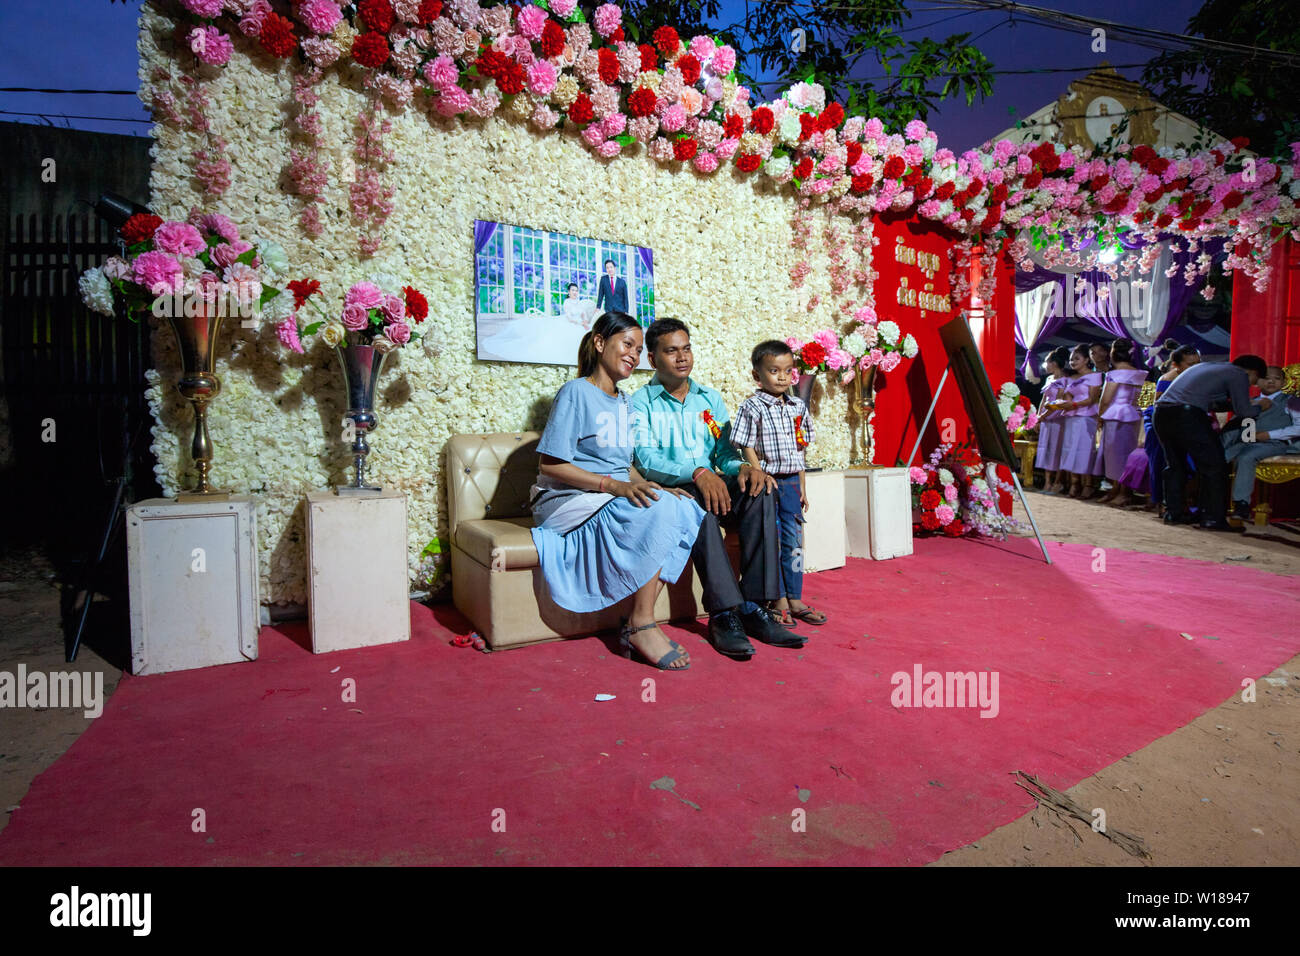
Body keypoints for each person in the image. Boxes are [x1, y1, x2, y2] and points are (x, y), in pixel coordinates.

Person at [530, 311, 706, 670]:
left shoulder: (624, 401)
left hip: (610, 494)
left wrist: (644, 485)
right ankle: (642, 624)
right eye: (627, 344)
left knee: (685, 507)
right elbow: (550, 465)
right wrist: (616, 487)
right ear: (599, 343)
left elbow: (621, 463)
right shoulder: (576, 392)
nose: (634, 355)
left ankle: (637, 618)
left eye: (639, 350)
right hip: (569, 500)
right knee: (657, 509)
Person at [631, 318, 804, 659]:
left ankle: (755, 607)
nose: (682, 358)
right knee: (697, 508)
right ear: (652, 359)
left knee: (762, 488)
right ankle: (724, 615)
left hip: (716, 484)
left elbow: (724, 453)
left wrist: (743, 468)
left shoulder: (709, 399)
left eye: (686, 348)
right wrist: (696, 472)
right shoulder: (641, 402)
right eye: (671, 351)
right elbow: (645, 458)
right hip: (679, 489)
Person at [731, 340, 827, 629]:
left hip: (791, 485)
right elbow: (745, 445)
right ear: (757, 375)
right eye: (774, 370)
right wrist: (759, 473)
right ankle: (778, 599)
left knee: (794, 541)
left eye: (787, 371)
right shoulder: (752, 406)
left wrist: (803, 487)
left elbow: (800, 451)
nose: (782, 377)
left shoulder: (798, 406)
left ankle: (796, 597)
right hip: (768, 484)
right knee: (770, 540)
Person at [1152, 353, 1271, 531]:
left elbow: (1213, 404)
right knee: (1215, 466)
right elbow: (1245, 411)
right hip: (1187, 415)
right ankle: (1213, 519)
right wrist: (1261, 405)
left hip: (1162, 413)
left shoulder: (1209, 367)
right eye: (1254, 380)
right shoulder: (1238, 374)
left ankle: (1174, 513)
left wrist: (1235, 404)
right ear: (1252, 372)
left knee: (1175, 465)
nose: (1252, 385)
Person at [1223, 365, 1300, 519]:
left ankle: (1242, 504)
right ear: (1257, 382)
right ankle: (1211, 503)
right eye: (1266, 378)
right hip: (1246, 442)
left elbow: (1298, 428)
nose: (1271, 381)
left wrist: (1268, 435)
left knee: (1246, 457)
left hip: (1273, 443)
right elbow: (1236, 426)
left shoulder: (1291, 401)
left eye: (1277, 378)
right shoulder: (1250, 401)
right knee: (1218, 458)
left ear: (1284, 383)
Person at [1142, 344, 1201, 512]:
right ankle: (1159, 500)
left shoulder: (1194, 376)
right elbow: (1144, 404)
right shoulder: (1154, 375)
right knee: (1160, 460)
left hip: (1181, 420)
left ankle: (1179, 501)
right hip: (1156, 420)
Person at [1095, 339, 1149, 504]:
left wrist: (1099, 417)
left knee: (1115, 455)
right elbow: (1147, 401)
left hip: (1115, 415)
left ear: (1113, 354)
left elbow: (1105, 400)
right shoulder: (1144, 374)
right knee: (1128, 454)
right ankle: (1118, 490)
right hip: (1135, 416)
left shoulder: (1114, 374)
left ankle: (1122, 493)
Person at [1057, 344, 1105, 498]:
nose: (1072, 362)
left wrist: (1075, 404)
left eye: (1076, 358)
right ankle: (1074, 483)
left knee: (1084, 450)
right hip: (1071, 416)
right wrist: (1065, 402)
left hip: (1086, 417)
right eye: (1071, 359)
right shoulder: (1071, 378)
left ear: (1086, 360)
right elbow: (1068, 396)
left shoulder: (1095, 376)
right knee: (1069, 449)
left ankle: (1088, 484)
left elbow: (1092, 398)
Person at [1034, 347, 1070, 494]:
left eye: (1047, 362)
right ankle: (1047, 482)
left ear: (1054, 363)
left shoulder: (1066, 380)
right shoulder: (1049, 379)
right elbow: (1044, 399)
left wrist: (1042, 416)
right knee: (1045, 449)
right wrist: (1037, 416)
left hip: (1058, 417)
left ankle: (1057, 482)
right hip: (1046, 418)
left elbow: (1059, 402)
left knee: (1058, 449)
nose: (1045, 365)